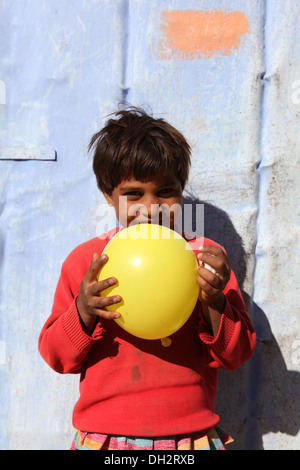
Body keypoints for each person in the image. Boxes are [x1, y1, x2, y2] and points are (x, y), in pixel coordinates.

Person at [38, 106, 256, 450]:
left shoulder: (204, 258)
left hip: (190, 440)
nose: (151, 207)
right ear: (108, 195)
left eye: (165, 191)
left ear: (181, 191)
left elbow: (236, 354)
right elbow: (57, 357)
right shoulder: (88, 263)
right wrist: (83, 309)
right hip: (105, 439)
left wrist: (214, 301)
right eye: (134, 194)